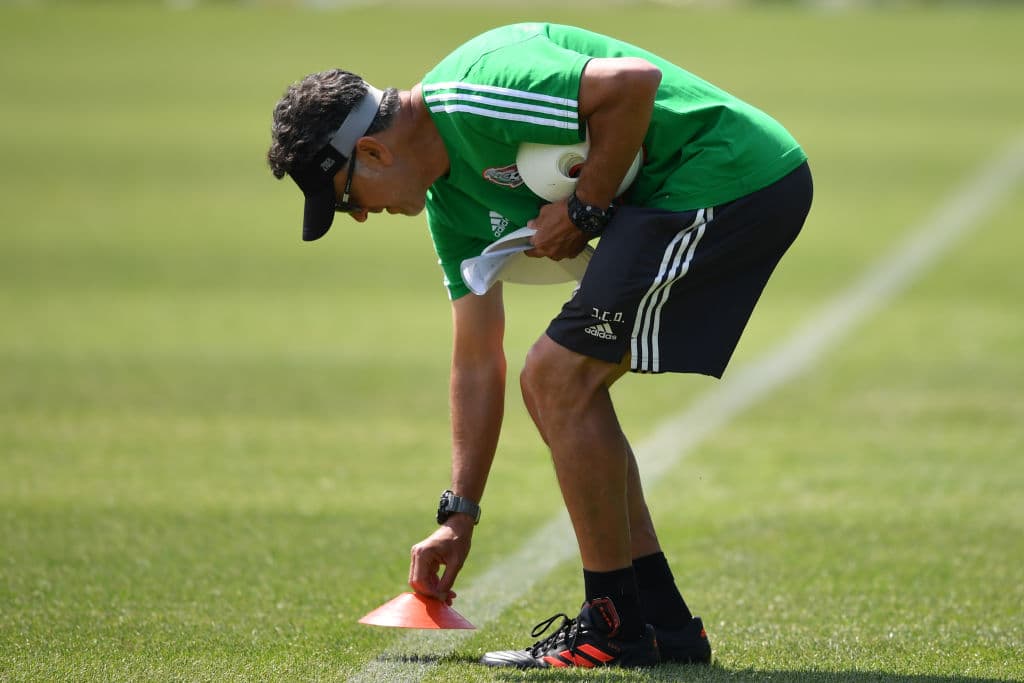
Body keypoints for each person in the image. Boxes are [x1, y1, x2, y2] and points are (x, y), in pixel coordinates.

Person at [267, 22, 812, 669]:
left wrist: (586, 205)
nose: (359, 215)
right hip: (686, 192)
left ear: (375, 154)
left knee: (556, 378)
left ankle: (613, 626)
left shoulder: (472, 92)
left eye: (348, 197)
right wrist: (458, 513)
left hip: (729, 175)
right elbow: (476, 357)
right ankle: (660, 622)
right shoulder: (451, 206)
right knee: (552, 382)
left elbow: (633, 86)